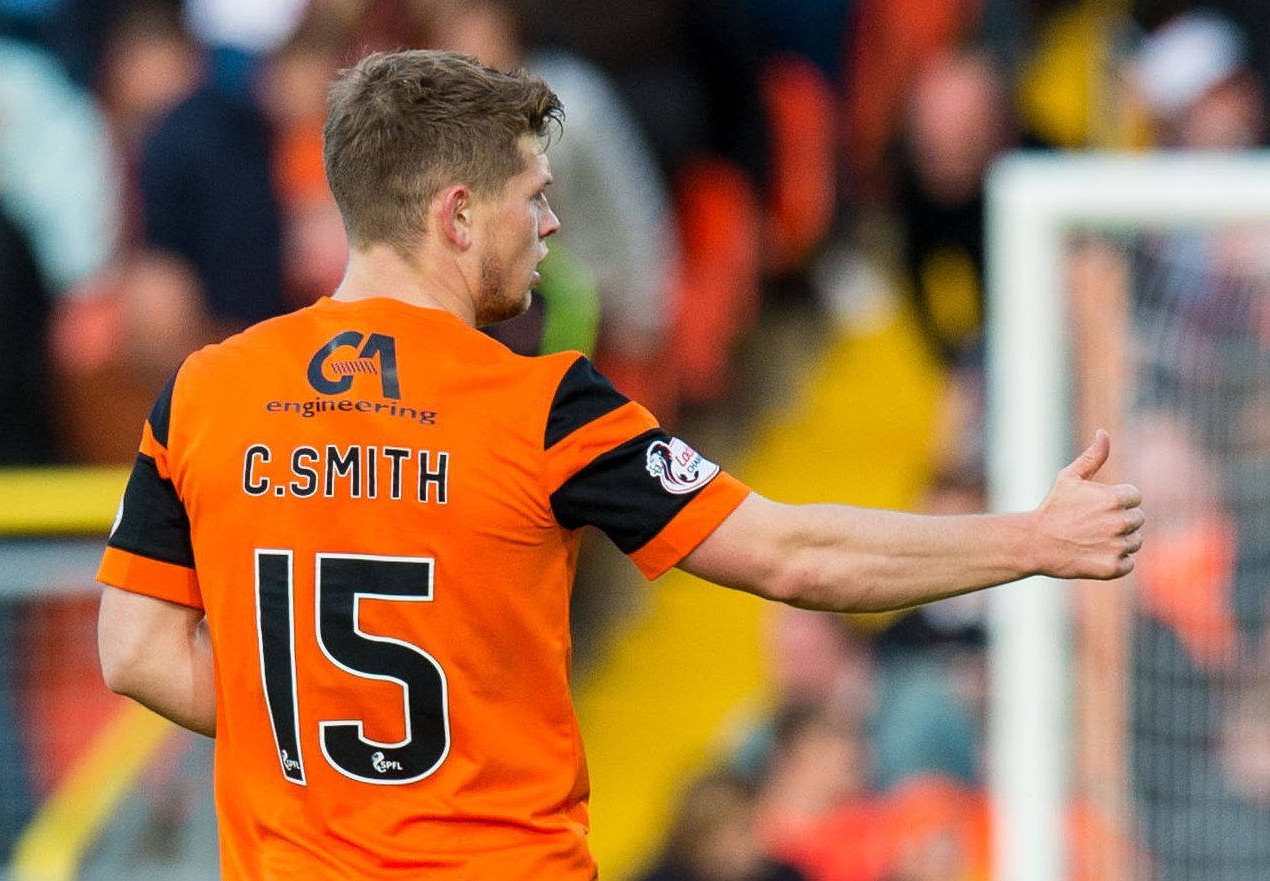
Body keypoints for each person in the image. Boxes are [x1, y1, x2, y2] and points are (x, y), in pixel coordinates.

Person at [95, 49, 1145, 881]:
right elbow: (791, 556)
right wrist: (1031, 537)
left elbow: (137, 650)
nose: (552, 223)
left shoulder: (205, 390)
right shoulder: (539, 403)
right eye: (534, 196)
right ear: (457, 214)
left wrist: (323, 721)